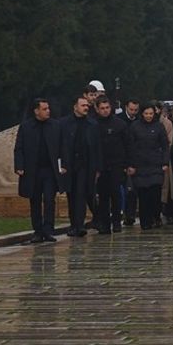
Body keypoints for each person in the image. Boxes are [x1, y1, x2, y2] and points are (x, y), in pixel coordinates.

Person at [13, 98, 64, 243]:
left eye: (48, 108)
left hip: (49, 170)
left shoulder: (55, 126)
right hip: (32, 170)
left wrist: (63, 165)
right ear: (36, 111)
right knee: (34, 200)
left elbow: (62, 147)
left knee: (49, 199)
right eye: (44, 109)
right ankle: (37, 230)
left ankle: (48, 230)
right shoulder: (26, 127)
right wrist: (19, 166)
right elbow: (19, 148)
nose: (48, 111)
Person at [59, 94, 102, 237]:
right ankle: (74, 225)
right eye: (83, 105)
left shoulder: (92, 124)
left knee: (82, 194)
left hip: (86, 165)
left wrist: (97, 168)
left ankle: (80, 225)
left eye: (87, 106)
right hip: (70, 165)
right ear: (75, 107)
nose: (86, 108)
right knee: (72, 195)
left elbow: (97, 148)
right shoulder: (64, 124)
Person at [91, 96, 129, 234]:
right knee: (103, 195)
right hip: (101, 166)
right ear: (97, 109)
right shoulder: (93, 125)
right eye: (102, 108)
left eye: (107, 108)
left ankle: (117, 221)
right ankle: (104, 223)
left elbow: (127, 145)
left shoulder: (120, 124)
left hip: (117, 164)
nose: (105, 111)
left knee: (116, 193)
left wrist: (127, 164)